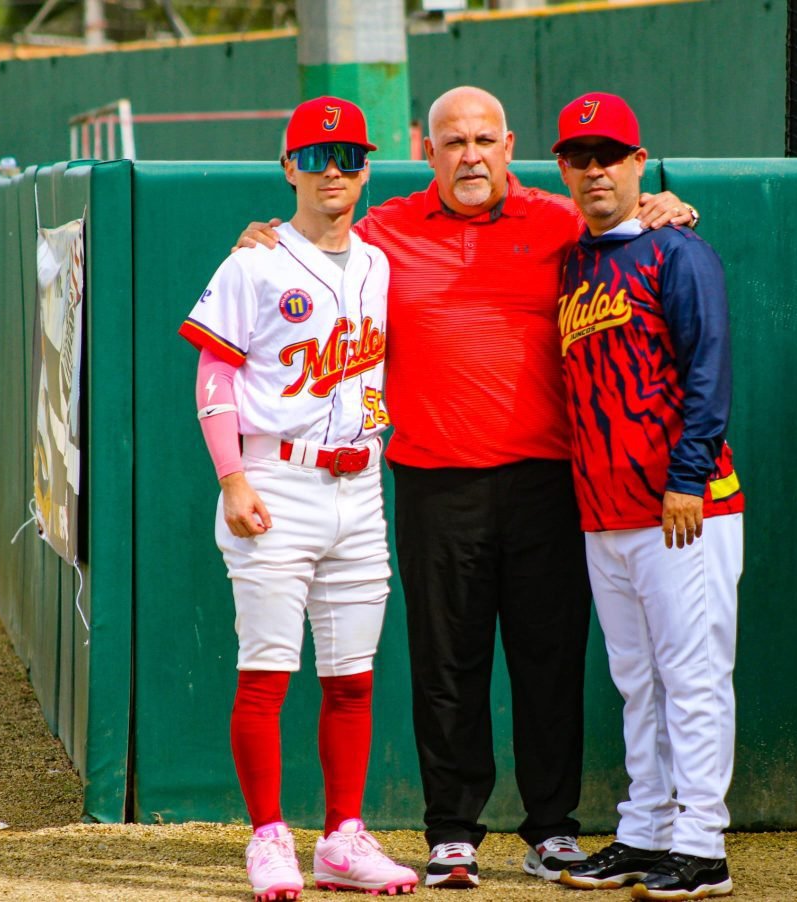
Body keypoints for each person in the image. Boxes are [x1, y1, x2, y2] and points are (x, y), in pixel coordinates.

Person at [233, 86, 698, 889]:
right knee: (446, 665)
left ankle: (552, 829)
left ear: (509, 147)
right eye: (454, 142)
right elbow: (313, 241)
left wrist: (666, 205)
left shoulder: (558, 220)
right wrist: (262, 236)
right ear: (429, 152)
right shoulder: (384, 231)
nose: (471, 155)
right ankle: (452, 832)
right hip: (433, 481)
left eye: (485, 140)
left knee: (550, 663)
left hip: (546, 479)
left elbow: (621, 218)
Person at [178, 96, 418, 902]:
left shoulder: (379, 262)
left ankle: (343, 839)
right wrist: (232, 477)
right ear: (288, 167)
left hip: (361, 483)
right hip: (275, 478)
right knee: (267, 672)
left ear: (367, 168)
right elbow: (214, 374)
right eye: (315, 157)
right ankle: (269, 838)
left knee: (352, 675)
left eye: (348, 157)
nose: (332, 172)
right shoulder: (254, 262)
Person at [549, 92, 744, 901]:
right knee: (638, 681)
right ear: (564, 170)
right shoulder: (573, 261)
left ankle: (701, 847)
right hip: (605, 508)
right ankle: (646, 831)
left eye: (609, 156)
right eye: (579, 157)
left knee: (692, 677)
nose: (594, 170)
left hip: (681, 506)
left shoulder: (678, 251)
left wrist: (687, 479)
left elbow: (709, 369)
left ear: (639, 163)